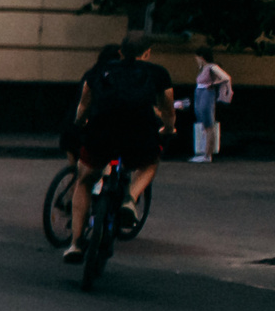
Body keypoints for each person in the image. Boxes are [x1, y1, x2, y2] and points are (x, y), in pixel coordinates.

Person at [65, 32, 176, 263]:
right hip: (139, 136)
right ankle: (130, 199)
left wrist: (79, 123)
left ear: (121, 52)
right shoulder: (157, 73)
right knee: (149, 164)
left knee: (84, 180)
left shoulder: (100, 70)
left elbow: (84, 104)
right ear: (147, 53)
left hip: (101, 134)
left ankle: (75, 244)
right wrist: (167, 129)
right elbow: (167, 110)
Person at [191, 47, 234, 163]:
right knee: (204, 125)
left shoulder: (211, 67)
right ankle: (204, 152)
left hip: (206, 94)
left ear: (201, 57)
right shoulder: (203, 68)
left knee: (208, 124)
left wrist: (212, 83)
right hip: (200, 94)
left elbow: (225, 77)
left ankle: (207, 154)